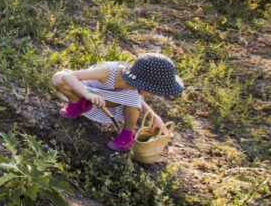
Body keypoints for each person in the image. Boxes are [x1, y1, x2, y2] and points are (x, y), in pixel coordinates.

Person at [51, 53, 184, 152]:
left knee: (134, 98)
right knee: (58, 78)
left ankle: (127, 135)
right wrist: (88, 95)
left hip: (106, 101)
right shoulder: (108, 72)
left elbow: (135, 100)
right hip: (86, 92)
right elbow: (68, 76)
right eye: (153, 90)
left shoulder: (133, 85)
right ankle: (77, 104)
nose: (155, 94)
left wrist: (154, 116)